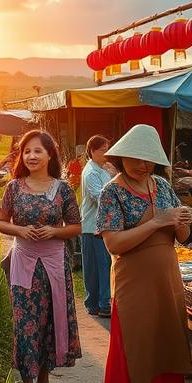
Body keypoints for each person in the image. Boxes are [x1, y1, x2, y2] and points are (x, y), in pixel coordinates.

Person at [97, 124, 192, 383]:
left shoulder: (162, 186)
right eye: (136, 159)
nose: (142, 166)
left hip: (167, 283)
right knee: (136, 353)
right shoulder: (112, 192)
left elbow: (183, 237)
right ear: (122, 157)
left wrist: (181, 222)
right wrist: (156, 222)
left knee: (167, 351)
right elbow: (114, 244)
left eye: (148, 159)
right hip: (134, 287)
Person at [0, 129, 82, 383]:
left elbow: (76, 226)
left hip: (55, 265)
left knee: (51, 322)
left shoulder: (63, 189)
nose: (31, 156)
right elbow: (0, 222)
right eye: (27, 151)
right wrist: (20, 229)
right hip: (24, 263)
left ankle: (45, 379)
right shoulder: (14, 187)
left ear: (50, 155)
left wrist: (54, 232)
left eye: (38, 151)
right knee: (25, 323)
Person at [79, 134, 114, 318]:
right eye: (103, 150)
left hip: (101, 226)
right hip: (92, 226)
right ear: (92, 151)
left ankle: (100, 302)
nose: (106, 153)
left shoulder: (102, 169)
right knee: (96, 266)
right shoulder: (90, 172)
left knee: (103, 265)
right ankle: (98, 303)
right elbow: (101, 197)